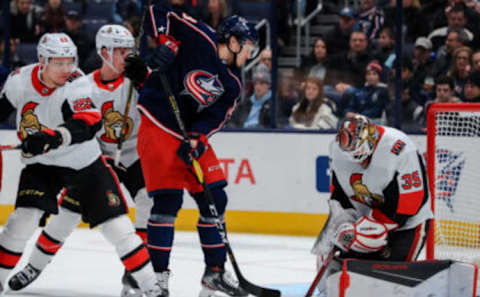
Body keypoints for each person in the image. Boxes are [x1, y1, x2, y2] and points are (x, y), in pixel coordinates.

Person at [0, 32, 165, 297]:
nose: (67, 69)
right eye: (59, 63)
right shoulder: (19, 81)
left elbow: (88, 121)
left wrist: (53, 137)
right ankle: (20, 271)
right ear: (42, 61)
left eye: (70, 61)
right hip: (47, 164)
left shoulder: (77, 82)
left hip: (88, 160)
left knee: (119, 225)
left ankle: (149, 286)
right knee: (25, 220)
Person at [129, 4, 259, 296]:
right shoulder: (200, 36)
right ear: (234, 41)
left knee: (216, 198)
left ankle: (214, 273)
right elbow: (158, 11)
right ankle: (157, 280)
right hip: (158, 123)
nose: (250, 54)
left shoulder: (233, 83)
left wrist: (198, 139)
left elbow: (215, 117)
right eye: (249, 46)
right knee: (167, 204)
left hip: (189, 135)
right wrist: (165, 41)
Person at [311, 114, 433, 295]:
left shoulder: (400, 149)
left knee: (392, 285)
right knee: (348, 277)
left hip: (407, 225)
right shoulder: (338, 149)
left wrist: (366, 230)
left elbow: (409, 205)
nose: (360, 163)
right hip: (365, 221)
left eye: (363, 158)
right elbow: (340, 193)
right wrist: (340, 223)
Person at [228, 64, 272, 129]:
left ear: (268, 85)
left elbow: (278, 124)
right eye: (256, 83)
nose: (258, 86)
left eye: (262, 83)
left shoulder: (273, 104)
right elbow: (232, 121)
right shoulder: (245, 104)